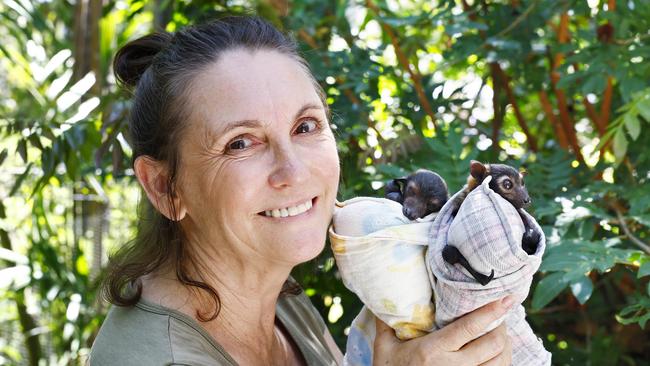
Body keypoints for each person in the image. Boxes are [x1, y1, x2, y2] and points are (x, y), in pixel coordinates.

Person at [89, 16, 513, 365]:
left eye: (305, 126)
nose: (292, 170)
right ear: (165, 187)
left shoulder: (276, 297)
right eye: (240, 143)